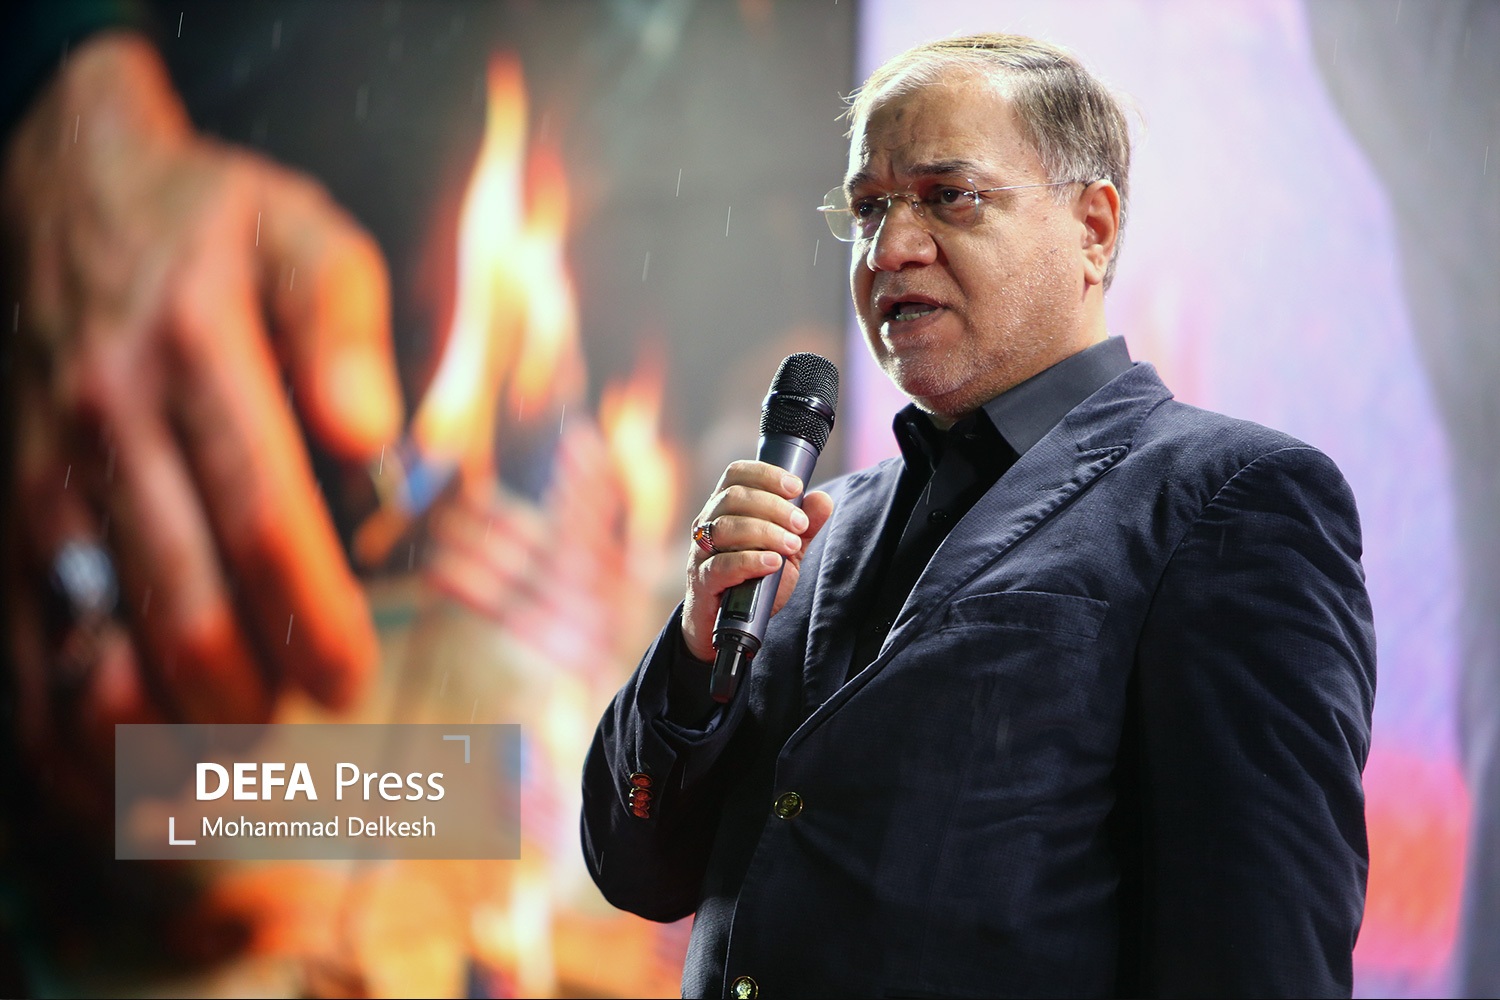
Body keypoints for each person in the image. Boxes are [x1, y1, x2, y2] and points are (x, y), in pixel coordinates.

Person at [581, 32, 1376, 999]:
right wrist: (695, 655)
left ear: (1093, 228)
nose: (890, 249)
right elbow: (634, 869)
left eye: (950, 196)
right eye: (868, 208)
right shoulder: (819, 523)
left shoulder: (1230, 499)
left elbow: (1260, 957)